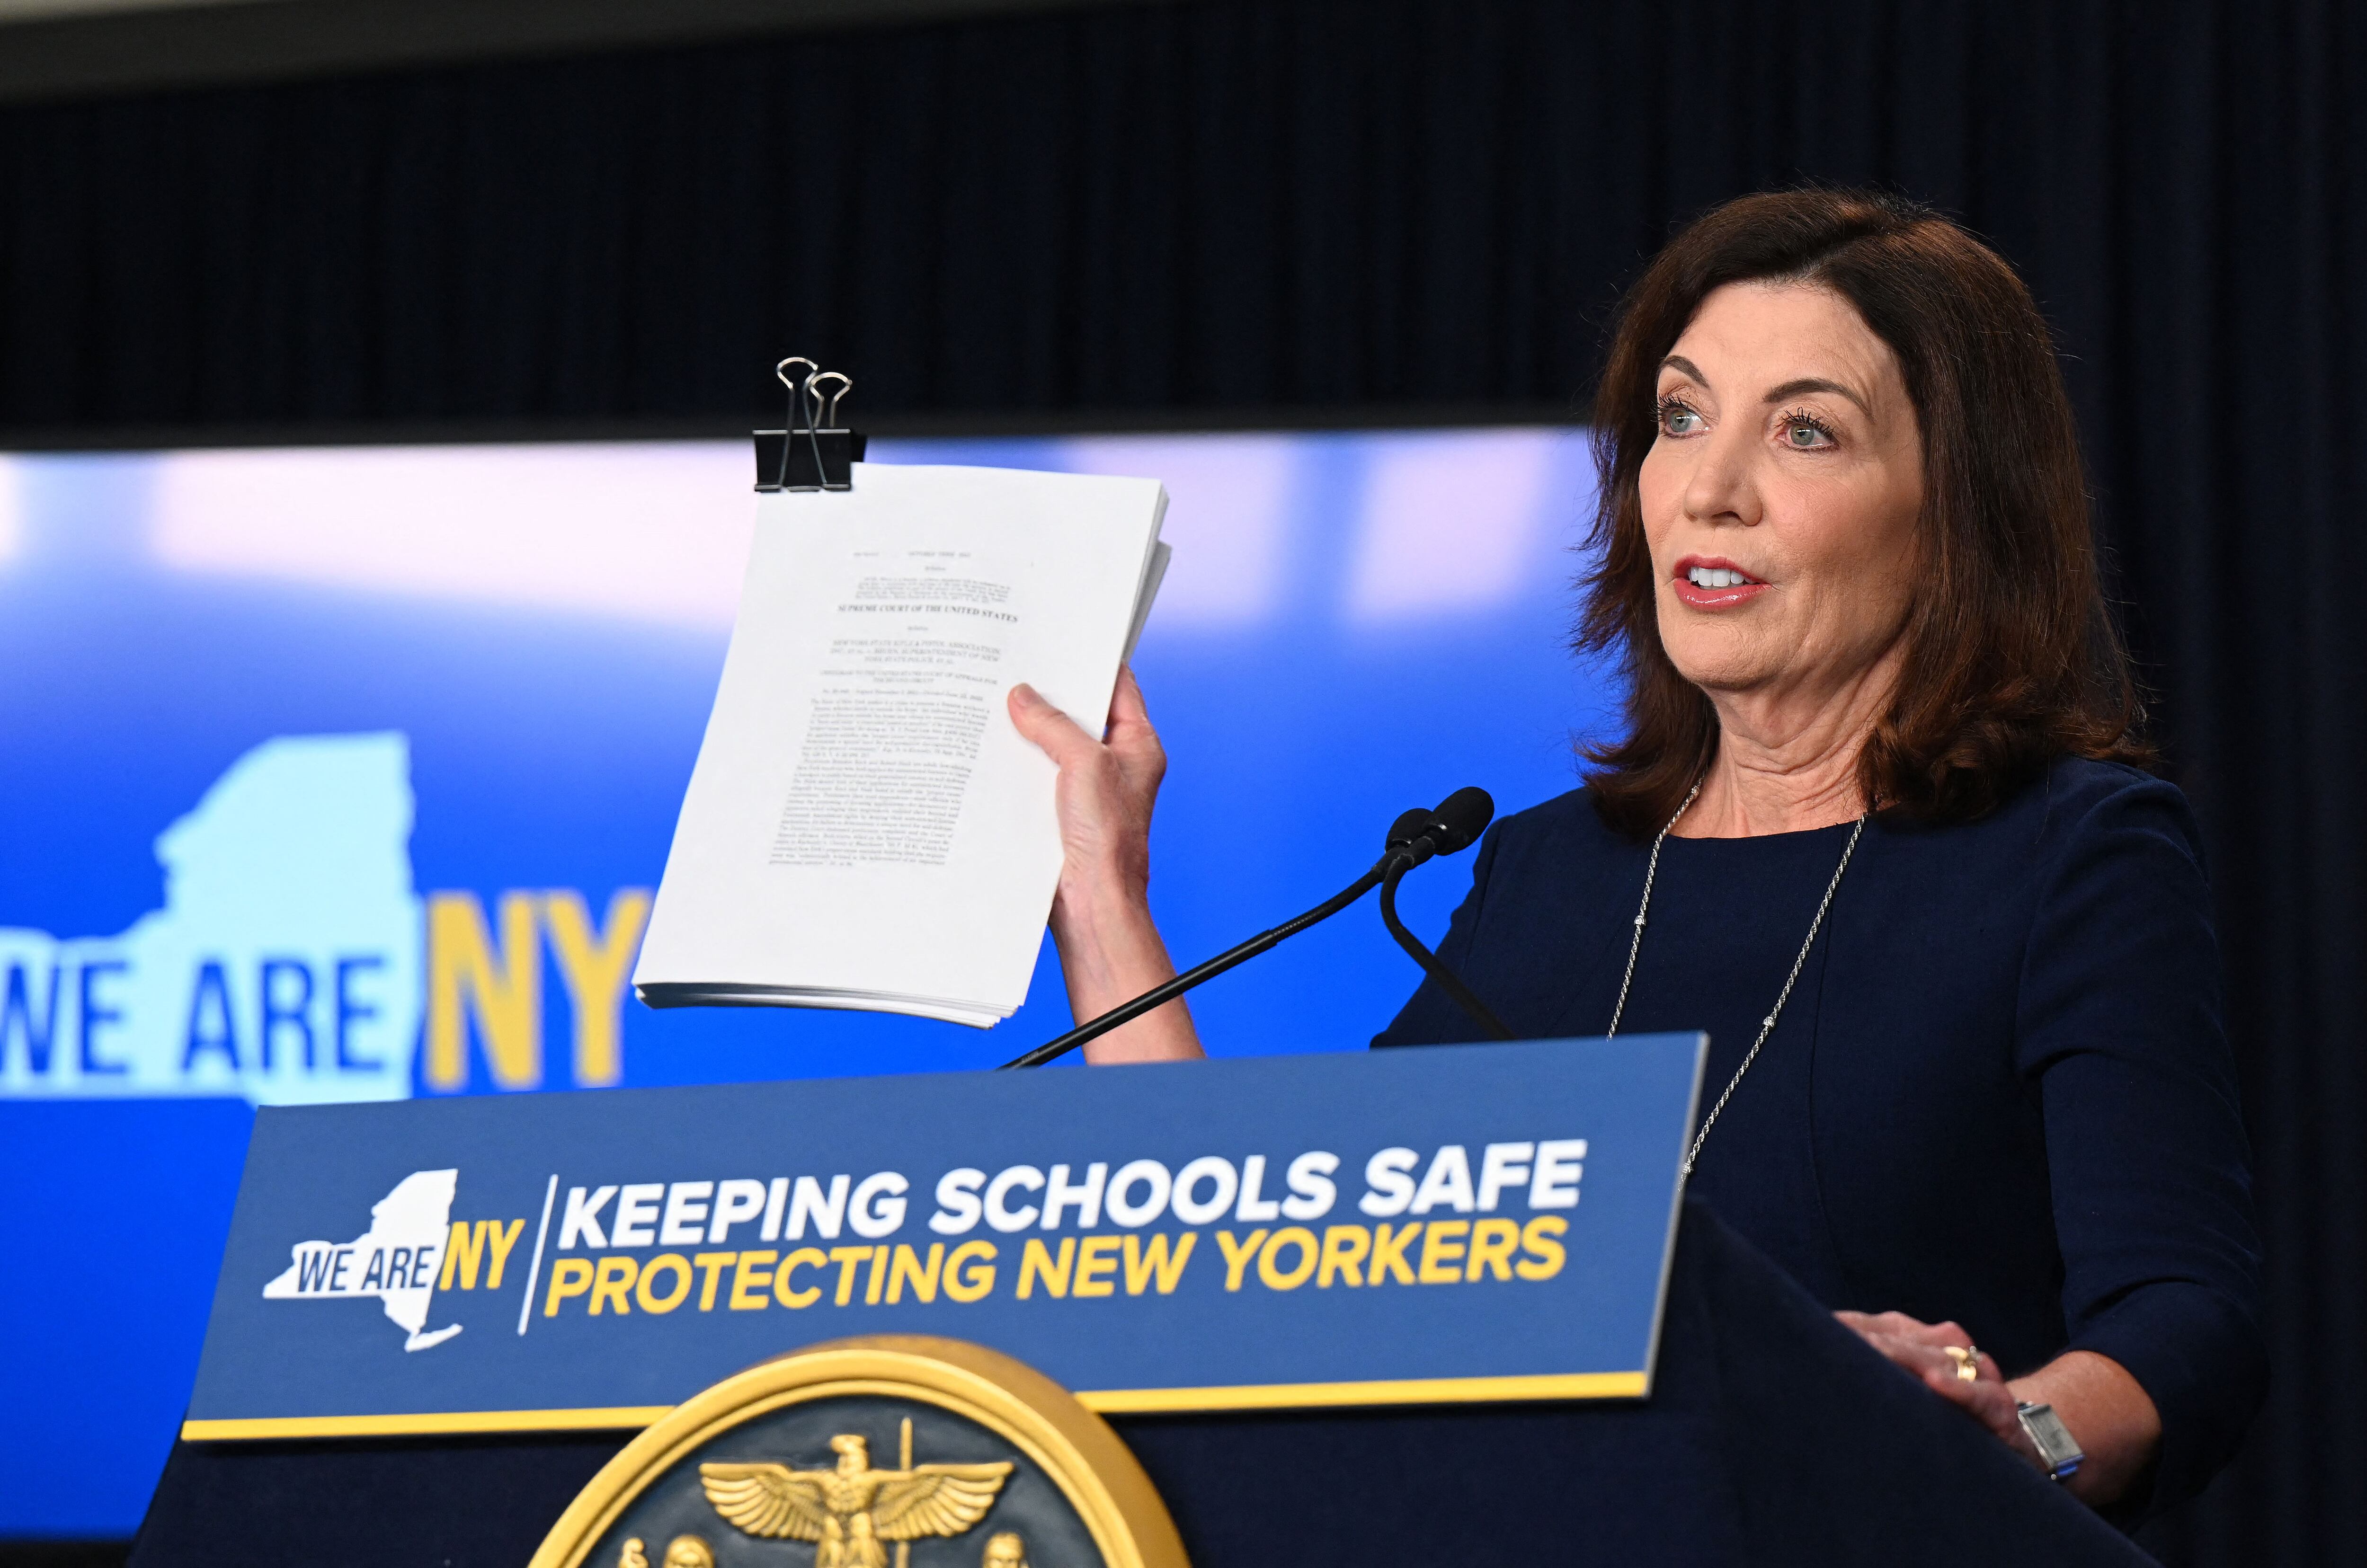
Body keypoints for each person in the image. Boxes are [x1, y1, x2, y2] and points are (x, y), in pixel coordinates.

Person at [1006, 188, 2263, 1518]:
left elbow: (2187, 1321)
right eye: (1680, 415)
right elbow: (1283, 1267)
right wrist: (1102, 891)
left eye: (1805, 431)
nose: (1711, 489)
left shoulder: (2071, 856)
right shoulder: (1545, 874)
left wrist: (2012, 1428)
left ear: (1956, 506)